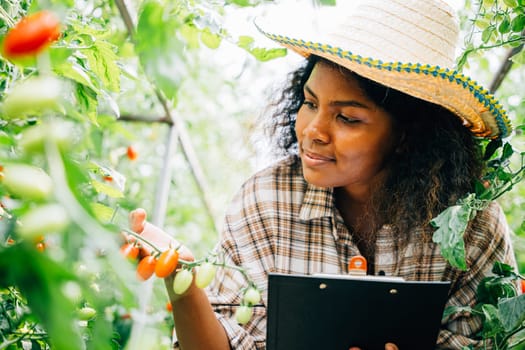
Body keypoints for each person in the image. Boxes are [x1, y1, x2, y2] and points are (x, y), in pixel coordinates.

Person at [128, 0, 518, 349]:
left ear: (408, 136)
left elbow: (486, 339)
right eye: (309, 103)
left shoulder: (471, 227)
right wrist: (180, 279)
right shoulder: (265, 202)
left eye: (347, 118)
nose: (313, 130)